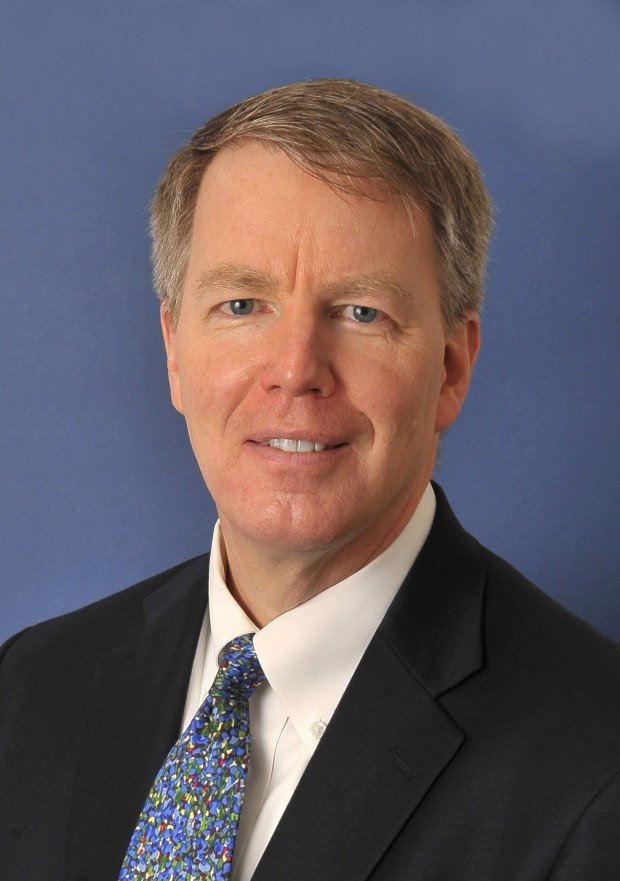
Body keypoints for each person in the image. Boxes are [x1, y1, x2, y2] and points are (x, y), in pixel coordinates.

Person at [0, 79, 618, 881]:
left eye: (361, 312)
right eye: (242, 304)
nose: (295, 370)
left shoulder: (595, 765)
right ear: (175, 351)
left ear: (451, 367)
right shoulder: (32, 688)